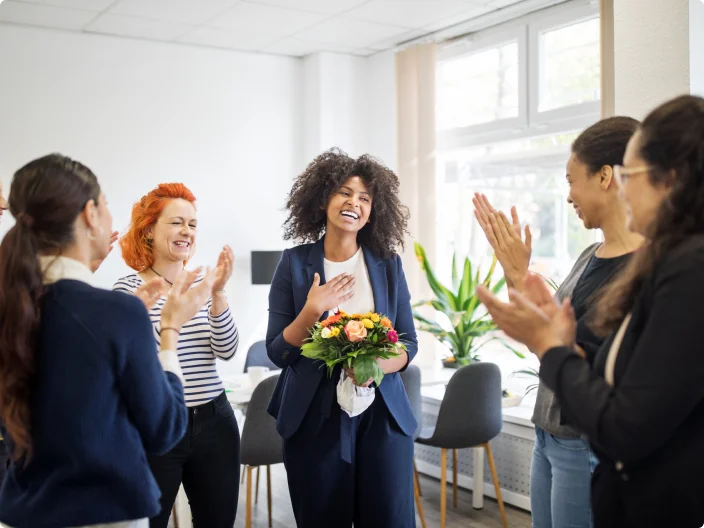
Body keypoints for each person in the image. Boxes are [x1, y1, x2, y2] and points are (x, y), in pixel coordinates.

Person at [477, 94, 704, 527]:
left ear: (668, 178)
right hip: (559, 431)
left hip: (594, 447)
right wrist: (530, 301)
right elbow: (607, 360)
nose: (625, 186)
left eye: (630, 175)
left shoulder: (683, 267)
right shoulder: (613, 257)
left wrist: (553, 345)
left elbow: (629, 416)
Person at [0, 154, 217, 527]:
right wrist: (170, 331)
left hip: (20, 511)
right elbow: (164, 429)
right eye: (107, 205)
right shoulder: (116, 311)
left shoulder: (12, 307)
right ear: (90, 214)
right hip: (105, 513)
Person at [472, 117, 643, 528]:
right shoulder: (588, 256)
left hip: (585, 442)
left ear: (605, 176)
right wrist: (516, 273)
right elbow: (548, 344)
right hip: (548, 430)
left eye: (571, 180)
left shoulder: (647, 269)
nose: (567, 196)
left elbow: (611, 366)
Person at [266, 148, 418, 527]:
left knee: (389, 519)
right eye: (344, 193)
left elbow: (409, 343)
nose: (354, 203)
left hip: (381, 413)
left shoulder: (388, 264)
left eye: (364, 198)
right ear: (323, 200)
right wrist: (312, 310)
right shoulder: (293, 263)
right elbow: (277, 352)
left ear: (373, 210)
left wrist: (374, 365)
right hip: (314, 418)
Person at [114, 183, 240, 528]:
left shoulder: (203, 286)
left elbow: (227, 350)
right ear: (149, 231)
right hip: (157, 426)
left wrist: (217, 294)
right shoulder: (129, 290)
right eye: (176, 222)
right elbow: (132, 361)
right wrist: (173, 318)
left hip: (216, 422)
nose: (187, 231)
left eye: (193, 224)